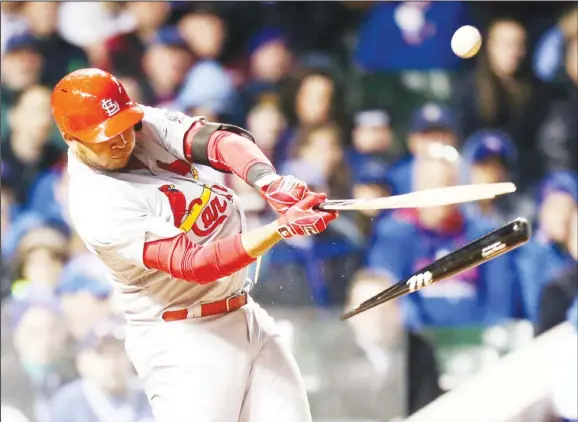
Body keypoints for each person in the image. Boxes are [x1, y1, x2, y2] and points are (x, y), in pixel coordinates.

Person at [50, 68, 339, 422]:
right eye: (105, 135)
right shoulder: (97, 203)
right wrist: (279, 229)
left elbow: (219, 141)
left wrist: (269, 182)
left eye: (124, 126)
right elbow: (195, 264)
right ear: (70, 138)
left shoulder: (139, 124)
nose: (121, 139)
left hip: (243, 313)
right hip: (183, 340)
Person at [368, 143, 520, 328]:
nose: (441, 193)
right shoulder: (395, 236)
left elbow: (499, 302)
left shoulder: (484, 234)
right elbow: (392, 298)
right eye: (433, 185)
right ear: (417, 187)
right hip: (417, 346)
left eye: (448, 184)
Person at [48, 318, 154, 422]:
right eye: (103, 355)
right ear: (82, 361)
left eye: (117, 353)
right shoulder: (68, 404)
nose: (112, 363)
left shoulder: (149, 396)